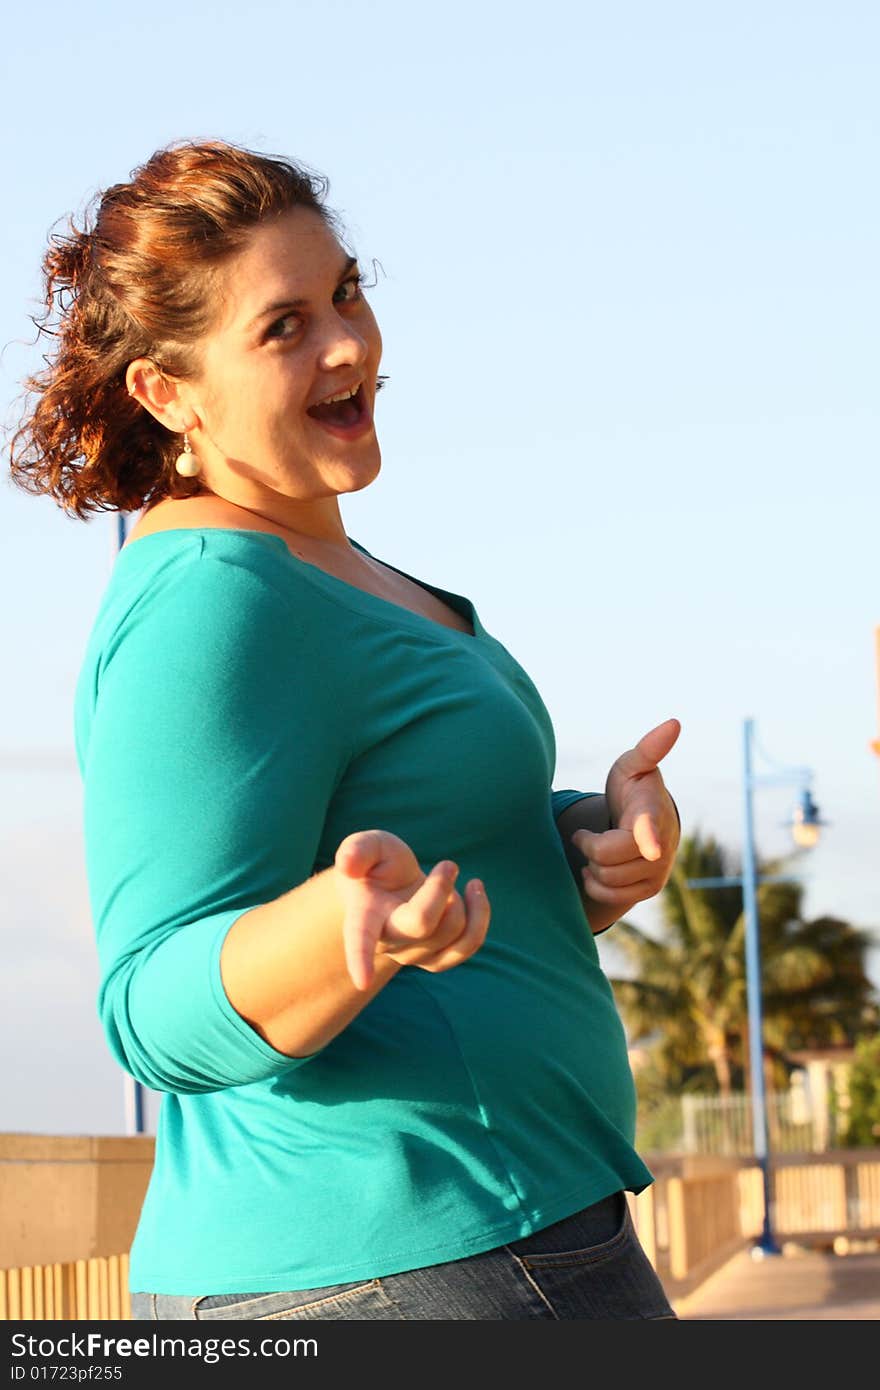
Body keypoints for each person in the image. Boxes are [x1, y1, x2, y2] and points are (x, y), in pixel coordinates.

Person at [9, 139, 683, 1321]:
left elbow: (415, 829)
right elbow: (150, 1001)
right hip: (385, 1273)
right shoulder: (210, 602)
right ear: (169, 393)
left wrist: (584, 836)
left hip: (508, 1238)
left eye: (347, 292)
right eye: (283, 326)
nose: (350, 343)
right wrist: (339, 933)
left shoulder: (324, 563)